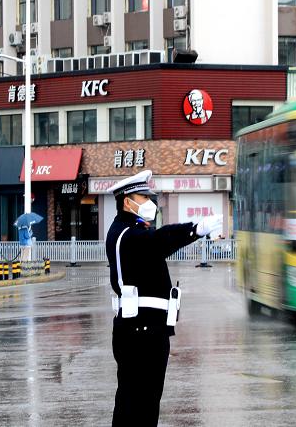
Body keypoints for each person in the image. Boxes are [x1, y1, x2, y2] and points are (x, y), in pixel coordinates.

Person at [106, 170, 222, 427]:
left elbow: (154, 241)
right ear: (127, 201)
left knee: (142, 403)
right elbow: (159, 241)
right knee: (138, 404)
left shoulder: (132, 231)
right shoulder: (126, 234)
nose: (151, 203)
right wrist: (196, 229)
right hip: (140, 331)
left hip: (145, 329)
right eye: (143, 197)